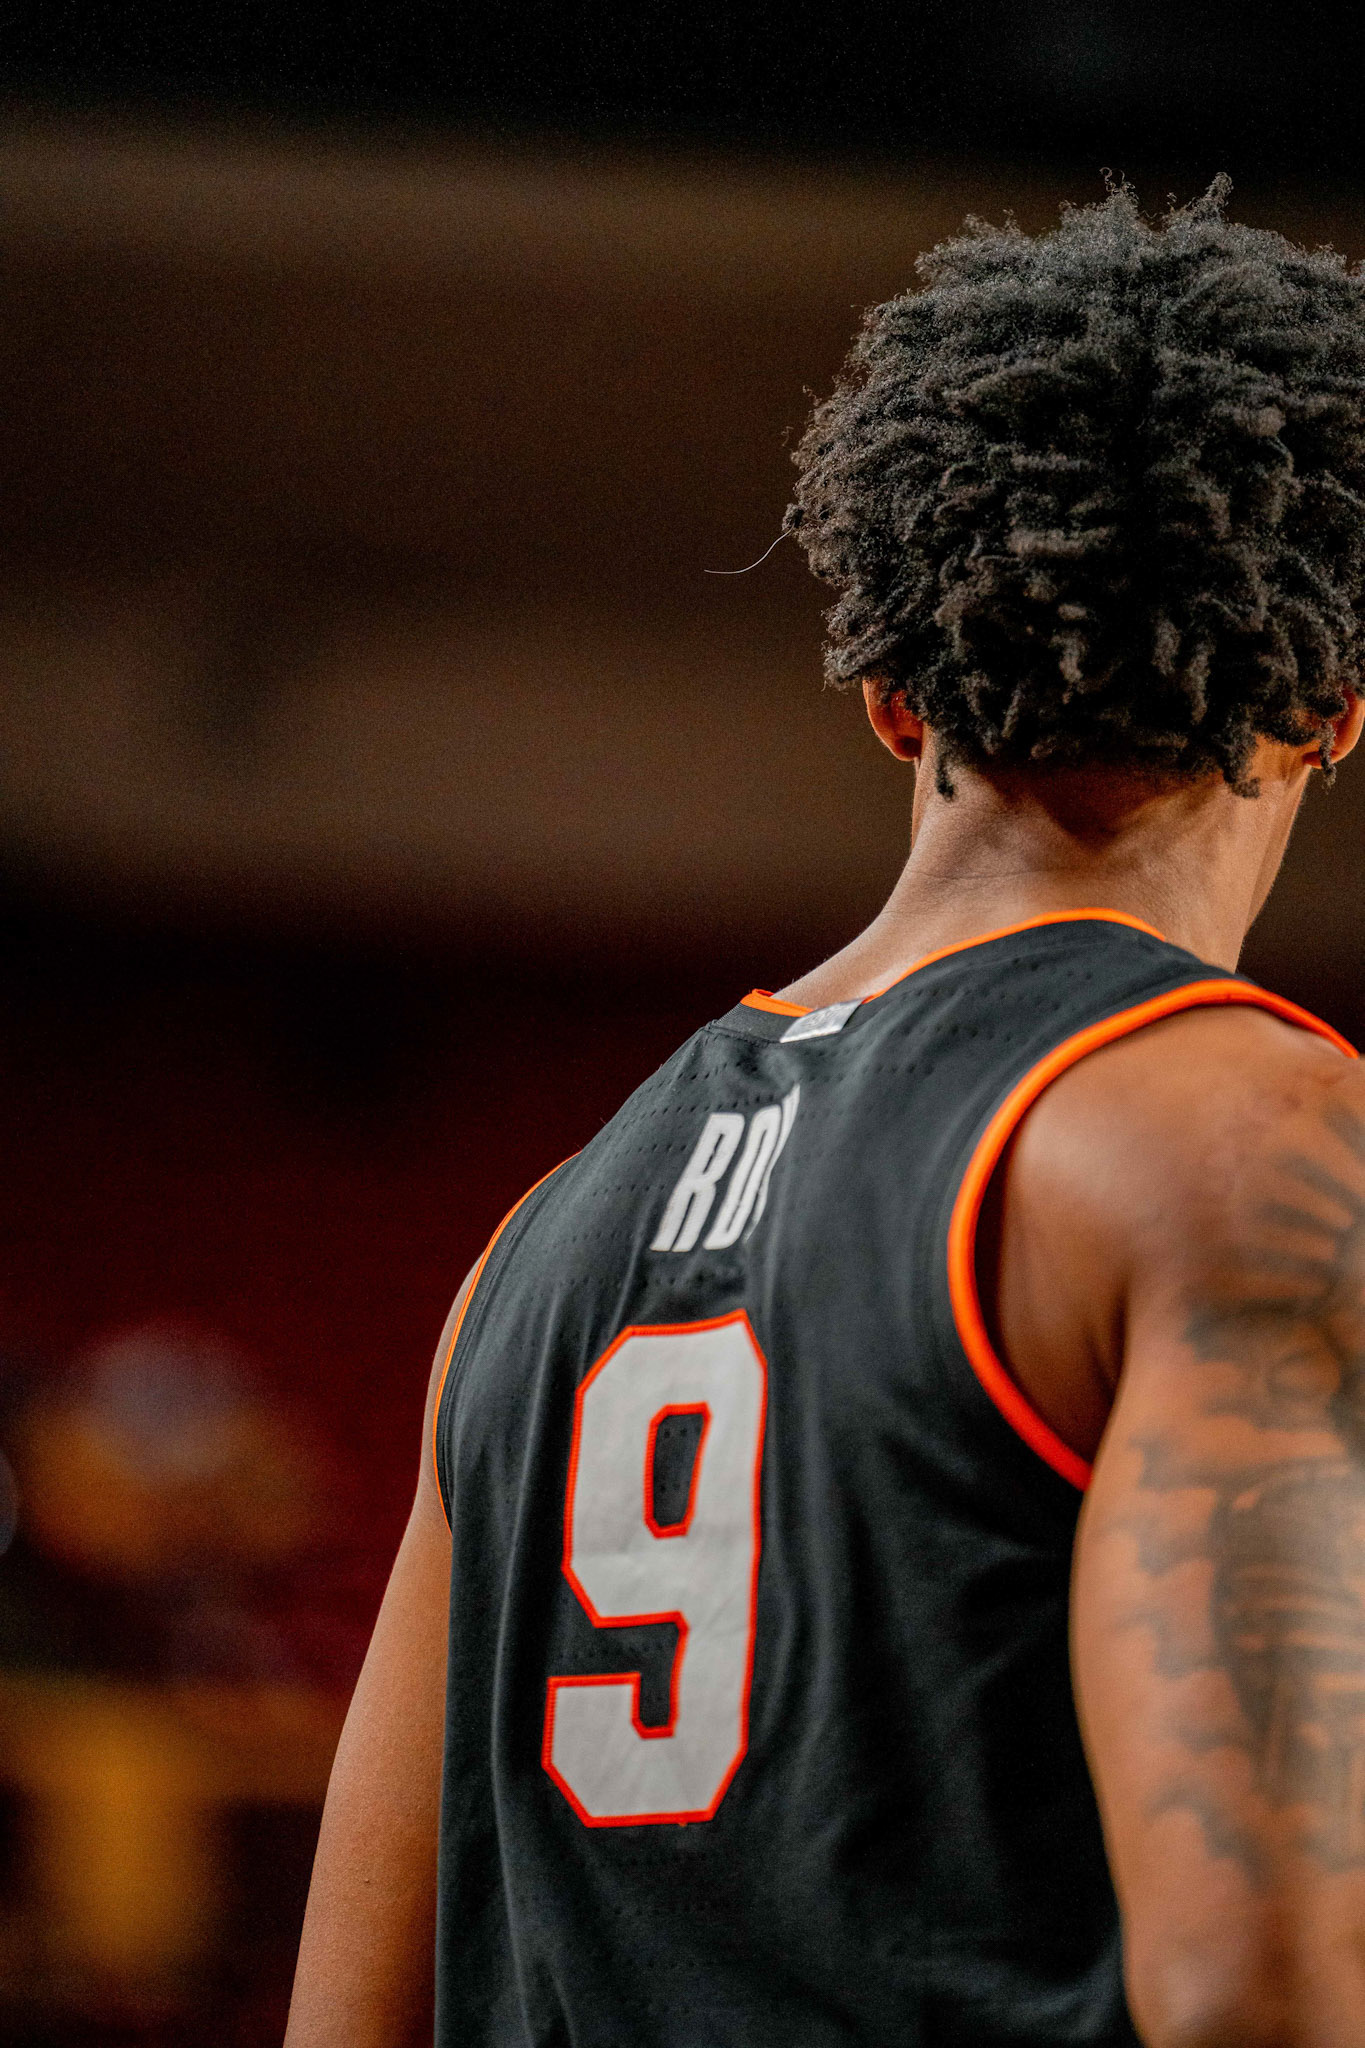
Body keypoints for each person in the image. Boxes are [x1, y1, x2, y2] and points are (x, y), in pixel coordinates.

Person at [285, 182, 1365, 2047]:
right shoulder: (1249, 1136)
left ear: (888, 695)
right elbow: (1254, 1986)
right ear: (1332, 709)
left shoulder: (537, 1244)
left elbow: (349, 2016)